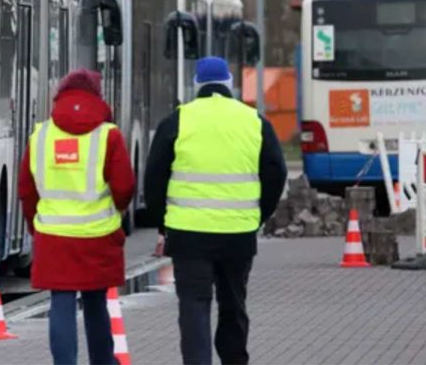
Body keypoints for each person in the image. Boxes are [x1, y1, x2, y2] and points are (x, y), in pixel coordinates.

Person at [144, 57, 287, 365]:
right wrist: (257, 215)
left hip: (188, 234)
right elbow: (276, 171)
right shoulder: (254, 121)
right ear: (228, 83)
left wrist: (162, 225)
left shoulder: (177, 121)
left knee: (194, 306)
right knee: (233, 304)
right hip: (238, 234)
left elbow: (154, 177)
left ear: (197, 83)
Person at [19, 68, 136, 365]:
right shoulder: (108, 135)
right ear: (97, 96)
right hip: (98, 235)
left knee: (61, 302)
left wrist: (37, 225)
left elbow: (26, 189)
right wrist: (117, 212)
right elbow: (124, 187)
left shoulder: (40, 135)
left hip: (54, 236)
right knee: (97, 303)